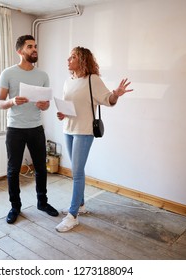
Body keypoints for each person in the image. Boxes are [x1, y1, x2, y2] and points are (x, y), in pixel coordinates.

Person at [55, 46, 133, 232]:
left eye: (73, 57)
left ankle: (73, 215)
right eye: (69, 56)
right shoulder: (68, 81)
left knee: (77, 171)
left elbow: (108, 100)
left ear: (82, 60)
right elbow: (70, 106)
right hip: (68, 129)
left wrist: (116, 94)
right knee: (76, 171)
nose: (68, 60)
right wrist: (62, 114)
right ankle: (80, 205)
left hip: (84, 131)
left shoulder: (93, 80)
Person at [0, 35, 59, 224]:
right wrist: (12, 101)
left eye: (35, 46)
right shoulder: (7, 73)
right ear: (20, 51)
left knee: (41, 168)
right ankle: (15, 207)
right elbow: (0, 103)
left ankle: (42, 202)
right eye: (30, 46)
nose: (34, 49)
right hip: (15, 129)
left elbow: (46, 104)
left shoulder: (43, 75)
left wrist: (44, 106)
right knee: (13, 170)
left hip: (36, 128)